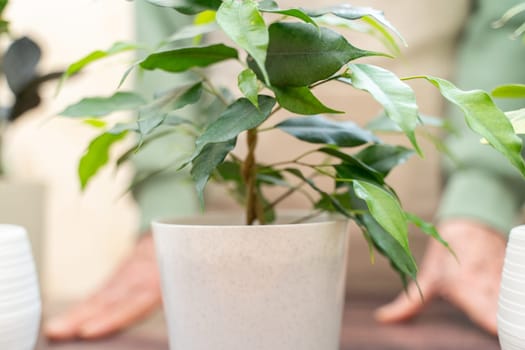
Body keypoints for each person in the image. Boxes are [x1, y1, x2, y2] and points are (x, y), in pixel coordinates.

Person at [44, 0, 525, 340]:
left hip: (438, 257)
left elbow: (505, 28)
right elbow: (166, 48)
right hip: (222, 255)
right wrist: (168, 224)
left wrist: (480, 208)